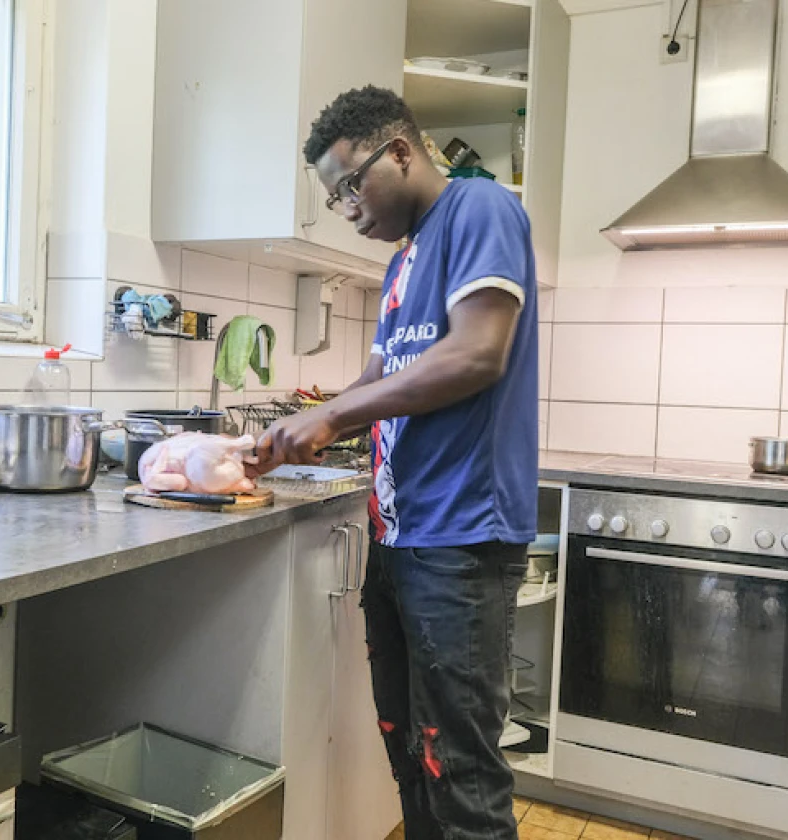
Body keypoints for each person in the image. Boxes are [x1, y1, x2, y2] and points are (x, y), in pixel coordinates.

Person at [248, 85, 539, 840]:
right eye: (334, 196)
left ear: (400, 151)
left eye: (349, 184)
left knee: (462, 773)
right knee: (411, 752)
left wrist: (333, 414)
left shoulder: (481, 209)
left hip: (462, 540)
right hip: (403, 537)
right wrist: (302, 429)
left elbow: (478, 353)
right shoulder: (405, 262)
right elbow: (380, 375)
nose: (346, 207)